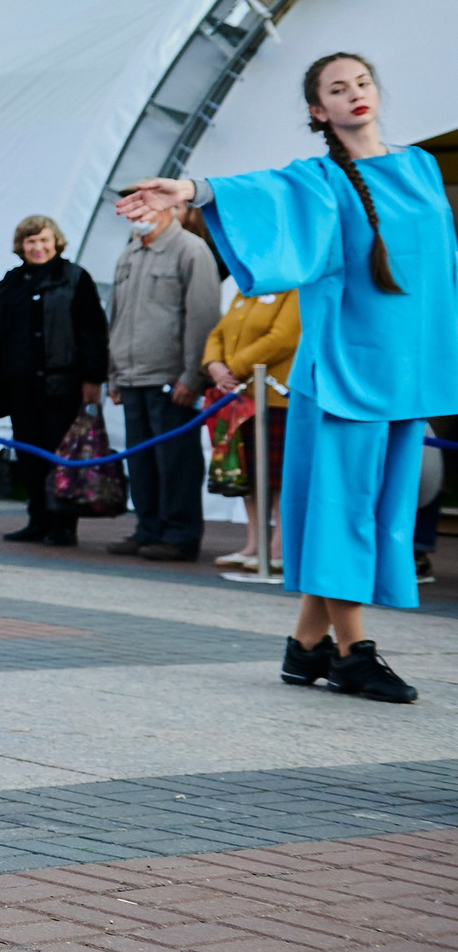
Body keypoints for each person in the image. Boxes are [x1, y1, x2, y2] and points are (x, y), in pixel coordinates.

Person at [122, 53, 454, 702]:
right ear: (316, 109)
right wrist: (190, 190)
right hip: (344, 371)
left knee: (373, 508)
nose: (355, 94)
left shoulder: (421, 166)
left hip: (406, 370)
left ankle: (306, 647)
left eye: (361, 82)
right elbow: (265, 192)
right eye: (337, 87)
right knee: (343, 509)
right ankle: (355, 653)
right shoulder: (320, 178)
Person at [106, 183, 222, 562]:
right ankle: (149, 527)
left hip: (170, 378)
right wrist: (113, 374)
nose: (138, 216)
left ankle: (180, 534)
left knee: (176, 460)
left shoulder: (191, 250)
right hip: (132, 375)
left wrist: (193, 375)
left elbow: (202, 317)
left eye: (144, 206)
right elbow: (116, 317)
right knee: (140, 459)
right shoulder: (128, 255)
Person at [0, 216, 108, 547]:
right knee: (29, 454)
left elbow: (93, 330)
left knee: (61, 454)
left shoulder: (74, 278)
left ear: (56, 241)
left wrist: (94, 377)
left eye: (43, 240)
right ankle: (37, 518)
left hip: (62, 383)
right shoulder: (12, 281)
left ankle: (63, 524)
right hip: (20, 384)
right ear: (21, 246)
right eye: (30, 241)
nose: (38, 247)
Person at [203, 286, 300, 569]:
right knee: (250, 476)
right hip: (242, 398)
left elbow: (284, 337)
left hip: (276, 399)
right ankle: (254, 545)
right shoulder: (249, 289)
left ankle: (279, 548)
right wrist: (214, 365)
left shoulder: (293, 290)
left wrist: (233, 367)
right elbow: (218, 333)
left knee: (277, 478)